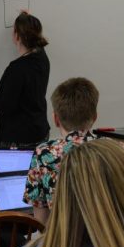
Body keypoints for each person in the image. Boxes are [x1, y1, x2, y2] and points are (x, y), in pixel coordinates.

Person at [25, 77, 99, 224]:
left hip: (64, 242)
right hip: (113, 241)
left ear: (56, 119)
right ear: (94, 117)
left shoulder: (43, 154)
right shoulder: (120, 150)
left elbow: (41, 221)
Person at [0, 11, 50, 147]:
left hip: (19, 140)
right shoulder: (42, 58)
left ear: (17, 36)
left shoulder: (16, 69)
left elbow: (5, 106)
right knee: (35, 169)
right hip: (40, 132)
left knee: (16, 170)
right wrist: (27, 20)